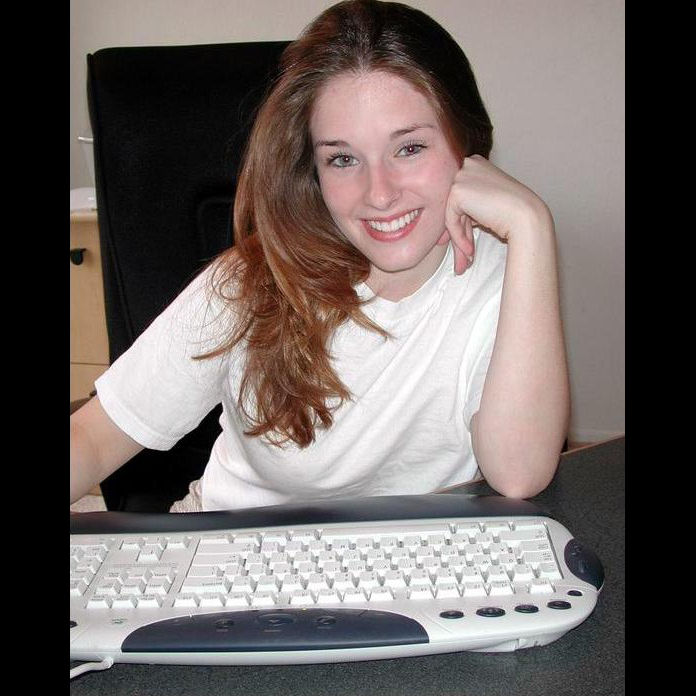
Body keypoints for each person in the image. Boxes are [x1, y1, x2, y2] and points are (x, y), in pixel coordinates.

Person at [70, 0, 570, 512]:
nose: (380, 193)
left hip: (407, 553)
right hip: (231, 541)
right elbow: (93, 438)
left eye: (409, 148)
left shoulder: (504, 275)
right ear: (312, 169)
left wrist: (532, 226)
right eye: (343, 158)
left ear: (467, 143)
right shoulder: (252, 281)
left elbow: (519, 474)